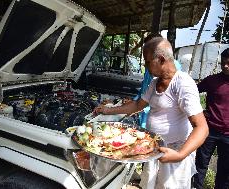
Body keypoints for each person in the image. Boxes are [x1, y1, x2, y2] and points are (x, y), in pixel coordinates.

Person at [94, 37, 208, 188]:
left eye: (147, 62)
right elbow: (137, 105)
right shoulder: (155, 82)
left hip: (173, 153)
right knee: (149, 184)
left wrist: (180, 155)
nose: (145, 66)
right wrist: (108, 110)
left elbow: (202, 127)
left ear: (160, 59)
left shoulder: (183, 83)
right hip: (153, 149)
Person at [193, 48, 229, 189]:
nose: (225, 65)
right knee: (200, 164)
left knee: (225, 171)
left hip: (228, 136)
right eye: (223, 62)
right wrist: (199, 112)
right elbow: (192, 93)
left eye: (228, 63)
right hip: (209, 131)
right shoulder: (212, 80)